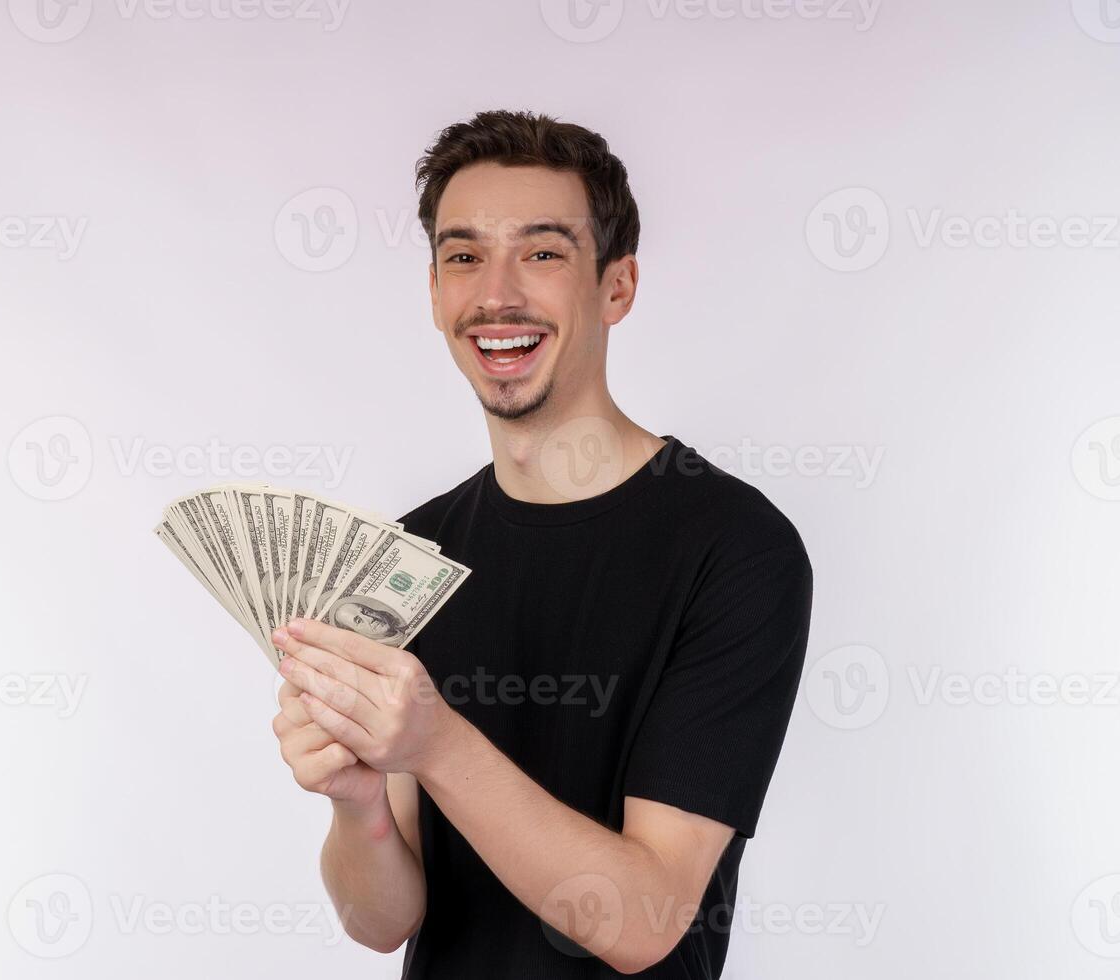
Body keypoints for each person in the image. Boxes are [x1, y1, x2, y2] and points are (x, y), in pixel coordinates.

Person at [268, 109, 814, 978]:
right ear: (435, 294)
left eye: (544, 252)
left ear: (617, 287)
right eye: (463, 256)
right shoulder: (413, 549)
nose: (496, 294)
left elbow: (642, 921)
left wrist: (433, 743)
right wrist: (360, 800)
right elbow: (381, 921)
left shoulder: (738, 549)